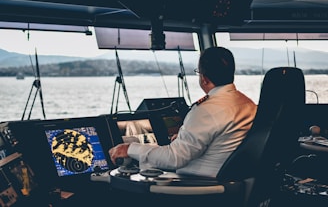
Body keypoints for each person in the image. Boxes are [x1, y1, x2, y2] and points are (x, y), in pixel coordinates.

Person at [109, 46, 257, 178]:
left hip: (201, 186)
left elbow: (174, 158)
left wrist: (130, 148)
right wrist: (183, 140)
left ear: (204, 79)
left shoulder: (206, 110)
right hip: (231, 180)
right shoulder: (247, 103)